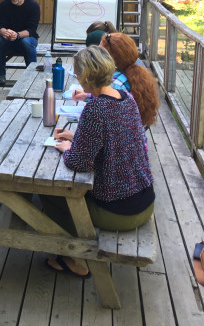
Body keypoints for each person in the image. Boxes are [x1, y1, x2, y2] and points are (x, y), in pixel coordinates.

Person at [43, 46, 154, 277]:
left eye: (77, 73)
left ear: (85, 77)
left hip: (119, 211)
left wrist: (66, 148)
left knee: (49, 195)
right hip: (145, 201)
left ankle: (77, 260)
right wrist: (77, 137)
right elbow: (114, 138)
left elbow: (78, 163)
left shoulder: (96, 108)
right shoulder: (126, 98)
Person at [99, 32, 159, 127]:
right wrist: (88, 95)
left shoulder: (115, 85)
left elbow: (109, 127)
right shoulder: (139, 74)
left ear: (109, 58)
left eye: (100, 52)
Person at [0, 0, 40, 85]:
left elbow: (32, 30)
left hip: (28, 39)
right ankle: (1, 75)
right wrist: (4, 32)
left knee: (26, 42)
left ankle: (31, 75)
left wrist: (18, 35)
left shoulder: (33, 6)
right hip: (8, 40)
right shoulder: (3, 5)